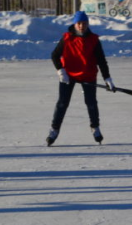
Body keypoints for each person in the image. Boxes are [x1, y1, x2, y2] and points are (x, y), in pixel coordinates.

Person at [46, 10, 115, 146]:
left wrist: (107, 78)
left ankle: (95, 127)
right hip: (68, 75)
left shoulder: (94, 40)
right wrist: (61, 71)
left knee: (91, 103)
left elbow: (101, 61)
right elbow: (54, 55)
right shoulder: (66, 38)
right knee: (62, 103)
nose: (81, 26)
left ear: (88, 24)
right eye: (79, 23)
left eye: (84, 23)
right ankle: (54, 129)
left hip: (88, 74)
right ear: (75, 24)